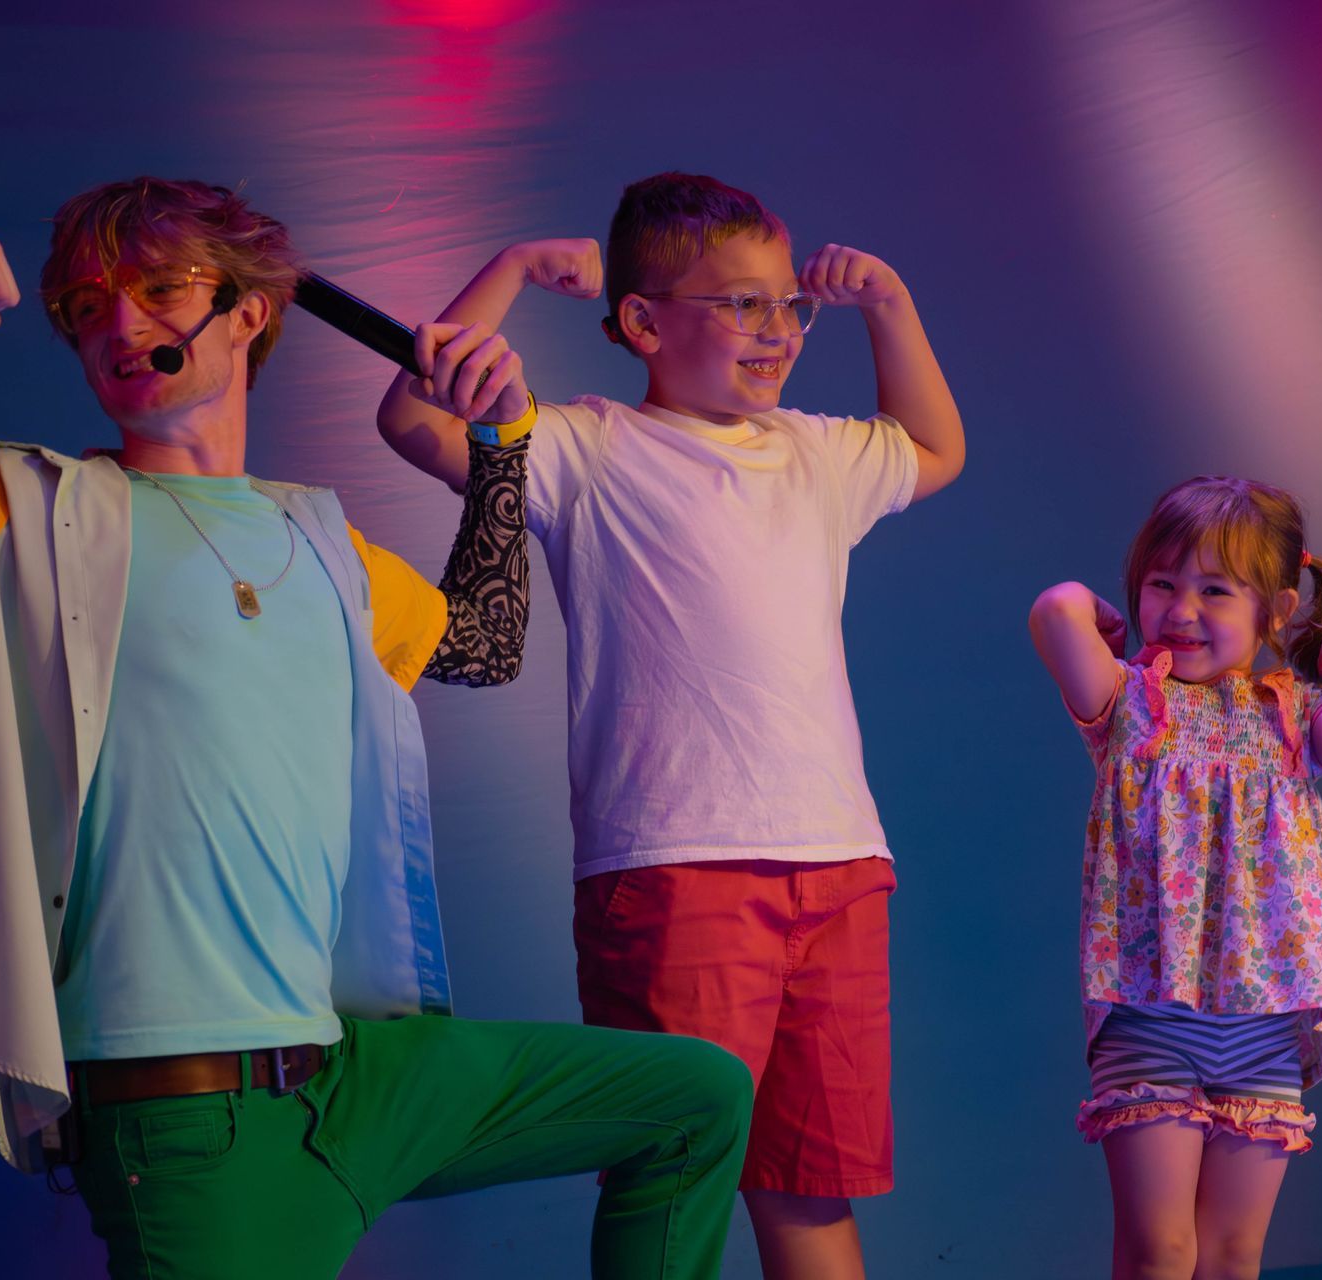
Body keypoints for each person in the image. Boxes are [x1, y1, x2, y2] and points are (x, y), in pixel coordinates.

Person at [0, 176, 752, 1279]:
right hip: (190, 1119)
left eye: (159, 289)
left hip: (358, 1076)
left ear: (247, 312)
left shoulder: (326, 543)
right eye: (88, 304)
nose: (119, 323)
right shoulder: (18, 510)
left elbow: (483, 642)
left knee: (695, 1098)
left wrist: (501, 444)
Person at [376, 171, 966, 1280]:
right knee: (675, 1171)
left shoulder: (816, 452)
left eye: (789, 304)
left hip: (838, 863)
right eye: (741, 303)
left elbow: (935, 449)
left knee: (810, 1184)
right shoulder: (584, 450)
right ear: (643, 323)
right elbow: (413, 414)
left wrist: (888, 303)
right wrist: (505, 272)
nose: (779, 329)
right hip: (675, 866)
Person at [1027, 476, 1322, 1280]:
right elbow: (1056, 609)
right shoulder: (1131, 702)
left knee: (1233, 1256)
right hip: (1149, 1009)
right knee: (1160, 1251)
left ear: (1273, 610)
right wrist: (1099, 616)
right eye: (1162, 583)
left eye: (1214, 590)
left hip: (1265, 1019)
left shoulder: (1295, 718)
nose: (1181, 610)